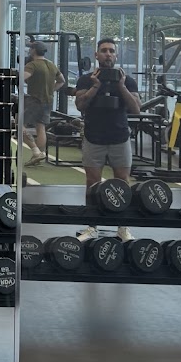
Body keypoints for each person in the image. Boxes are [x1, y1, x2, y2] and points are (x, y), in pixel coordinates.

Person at [72, 38, 141, 242]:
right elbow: (80, 105)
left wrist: (121, 86)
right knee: (92, 183)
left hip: (120, 137)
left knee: (123, 183)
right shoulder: (86, 80)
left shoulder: (127, 80)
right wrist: (96, 86)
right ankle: (92, 226)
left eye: (111, 51)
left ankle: (123, 227)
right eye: (104, 50)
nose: (108, 54)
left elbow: (136, 109)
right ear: (96, 55)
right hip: (94, 137)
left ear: (116, 55)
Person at [22, 41, 65, 167]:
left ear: (33, 50)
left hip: (35, 100)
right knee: (41, 128)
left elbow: (21, 78)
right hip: (48, 101)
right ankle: (39, 155)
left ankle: (36, 152)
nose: (29, 50)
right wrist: (52, 90)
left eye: (30, 48)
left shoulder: (32, 65)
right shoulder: (51, 65)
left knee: (20, 127)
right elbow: (62, 81)